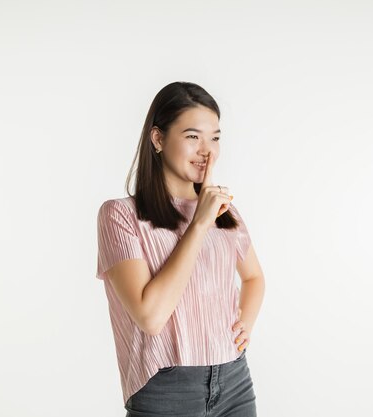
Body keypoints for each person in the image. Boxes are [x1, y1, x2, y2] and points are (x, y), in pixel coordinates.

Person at [96, 81, 265, 416]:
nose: (207, 151)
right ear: (158, 139)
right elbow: (151, 316)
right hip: (166, 389)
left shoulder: (225, 211)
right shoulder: (120, 216)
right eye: (193, 137)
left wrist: (243, 327)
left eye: (215, 137)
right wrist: (199, 223)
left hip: (234, 381)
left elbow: (254, 278)